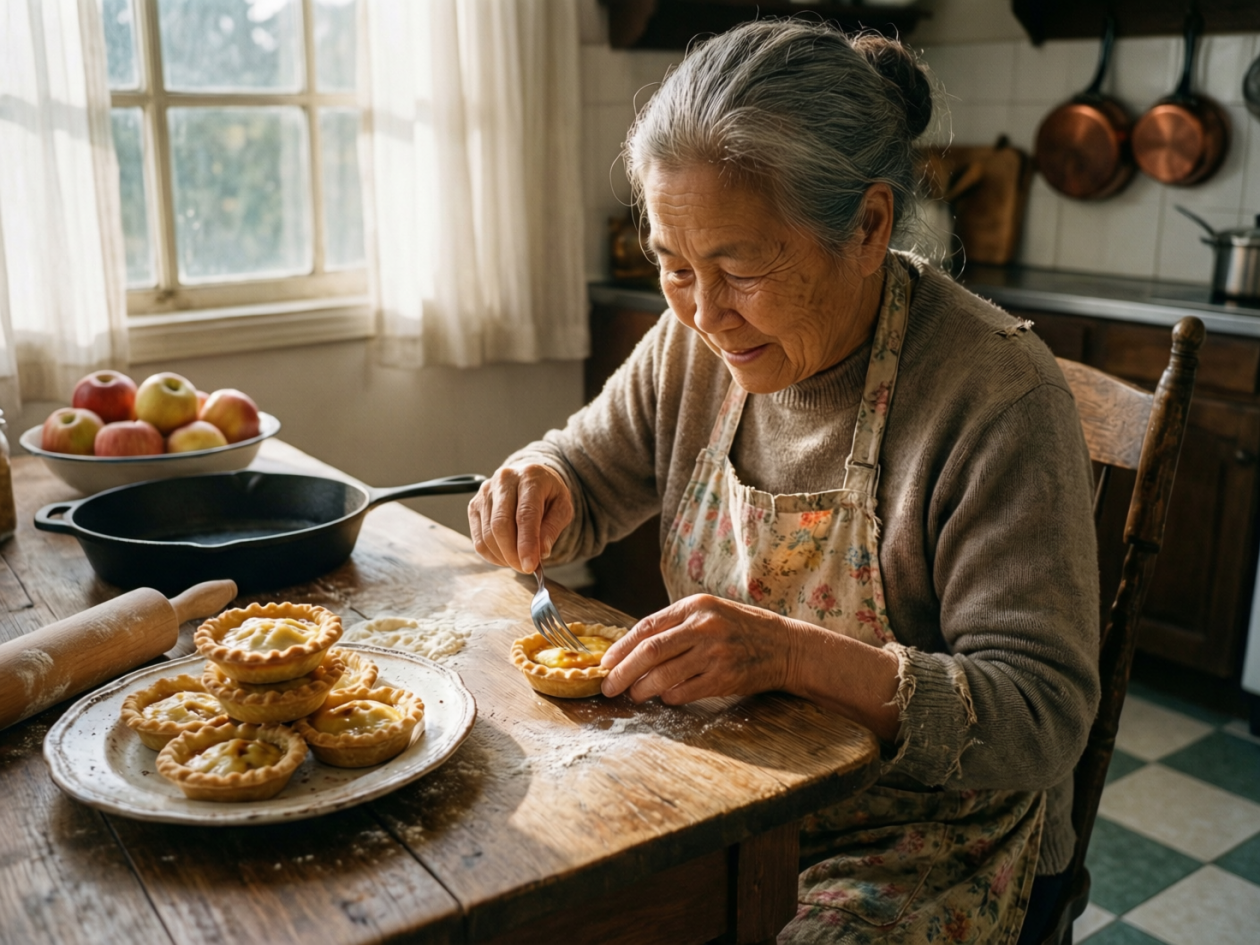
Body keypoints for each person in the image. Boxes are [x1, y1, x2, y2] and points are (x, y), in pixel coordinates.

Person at [468, 20, 1099, 944]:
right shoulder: (692, 344)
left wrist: (791, 655)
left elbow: (1039, 716)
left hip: (923, 837)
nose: (706, 313)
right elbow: (587, 473)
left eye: (739, 268)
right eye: (674, 266)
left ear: (869, 226)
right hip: (734, 785)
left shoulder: (996, 395)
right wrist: (540, 480)